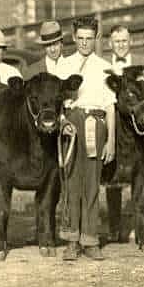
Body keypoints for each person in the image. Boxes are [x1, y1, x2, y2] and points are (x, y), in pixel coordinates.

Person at [58, 16, 116, 261]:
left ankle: (90, 238)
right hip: (71, 124)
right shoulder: (64, 64)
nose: (84, 43)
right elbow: (56, 102)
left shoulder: (104, 66)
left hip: (96, 123)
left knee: (92, 183)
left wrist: (111, 139)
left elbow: (110, 106)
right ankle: (72, 239)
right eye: (80, 38)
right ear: (74, 38)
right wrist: (63, 122)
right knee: (71, 183)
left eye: (89, 39)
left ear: (96, 38)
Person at [103, 25, 144, 243]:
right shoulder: (103, 65)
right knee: (113, 172)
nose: (120, 45)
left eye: (124, 41)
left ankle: (137, 227)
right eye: (116, 41)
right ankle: (113, 226)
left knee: (137, 171)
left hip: (134, 123)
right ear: (110, 44)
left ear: (131, 42)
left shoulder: (141, 63)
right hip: (111, 122)